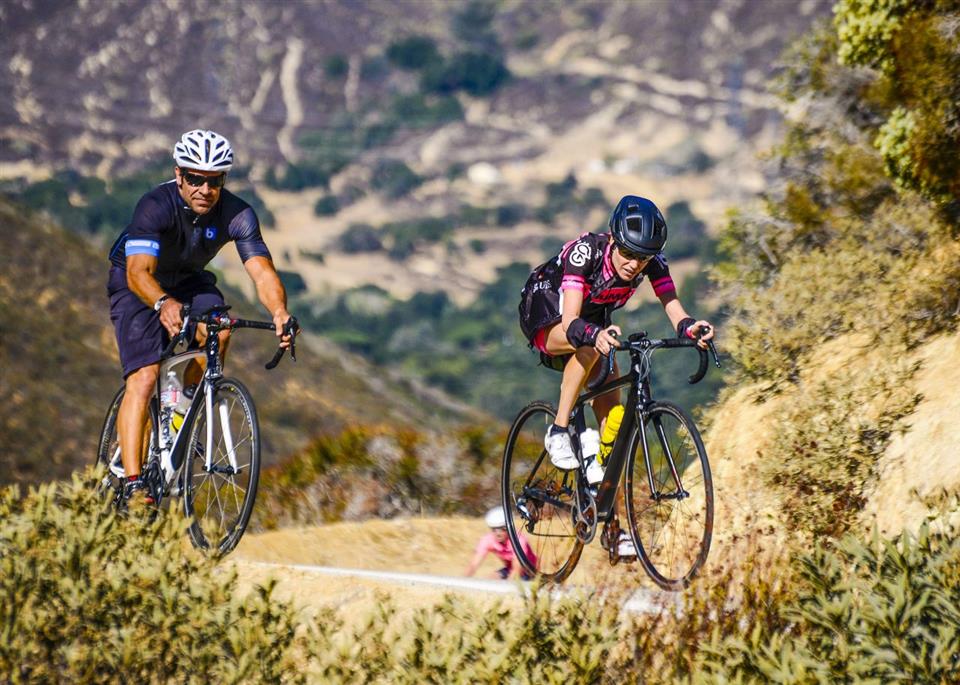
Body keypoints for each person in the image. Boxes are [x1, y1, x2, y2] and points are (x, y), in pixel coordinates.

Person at [106, 129, 296, 506]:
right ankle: (132, 483)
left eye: (214, 181)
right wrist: (162, 303)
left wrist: (279, 312)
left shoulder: (238, 214)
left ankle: (181, 410)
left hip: (190, 281)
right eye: (195, 178)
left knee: (221, 332)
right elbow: (138, 272)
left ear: (223, 181)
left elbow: (261, 271)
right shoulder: (154, 206)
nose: (204, 189)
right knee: (144, 377)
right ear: (179, 175)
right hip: (137, 282)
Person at [517, 194, 715, 556]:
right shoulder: (586, 252)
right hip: (549, 312)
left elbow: (673, 305)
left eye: (643, 258)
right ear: (613, 239)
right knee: (589, 346)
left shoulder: (649, 261)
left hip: (593, 324)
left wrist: (690, 329)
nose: (634, 264)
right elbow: (573, 322)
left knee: (614, 427)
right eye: (628, 254)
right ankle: (559, 430)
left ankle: (612, 526)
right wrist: (592, 334)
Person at [465, 506, 538, 580]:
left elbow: (517, 570)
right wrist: (463, 583)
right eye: (494, 529)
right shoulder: (488, 539)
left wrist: (506, 588)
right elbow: (473, 565)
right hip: (510, 569)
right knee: (489, 580)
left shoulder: (518, 540)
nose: (498, 533)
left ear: (509, 527)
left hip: (530, 571)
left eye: (502, 529)